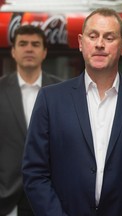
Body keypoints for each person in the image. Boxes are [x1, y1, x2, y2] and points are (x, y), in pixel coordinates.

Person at [22, 8, 122, 216]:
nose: (100, 43)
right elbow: (34, 173)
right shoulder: (50, 99)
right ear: (81, 43)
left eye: (109, 37)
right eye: (93, 36)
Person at [0, 25, 62, 216]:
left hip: (52, 198)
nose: (29, 49)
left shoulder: (63, 92)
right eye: (23, 44)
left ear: (44, 52)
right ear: (13, 51)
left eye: (35, 44)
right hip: (6, 199)